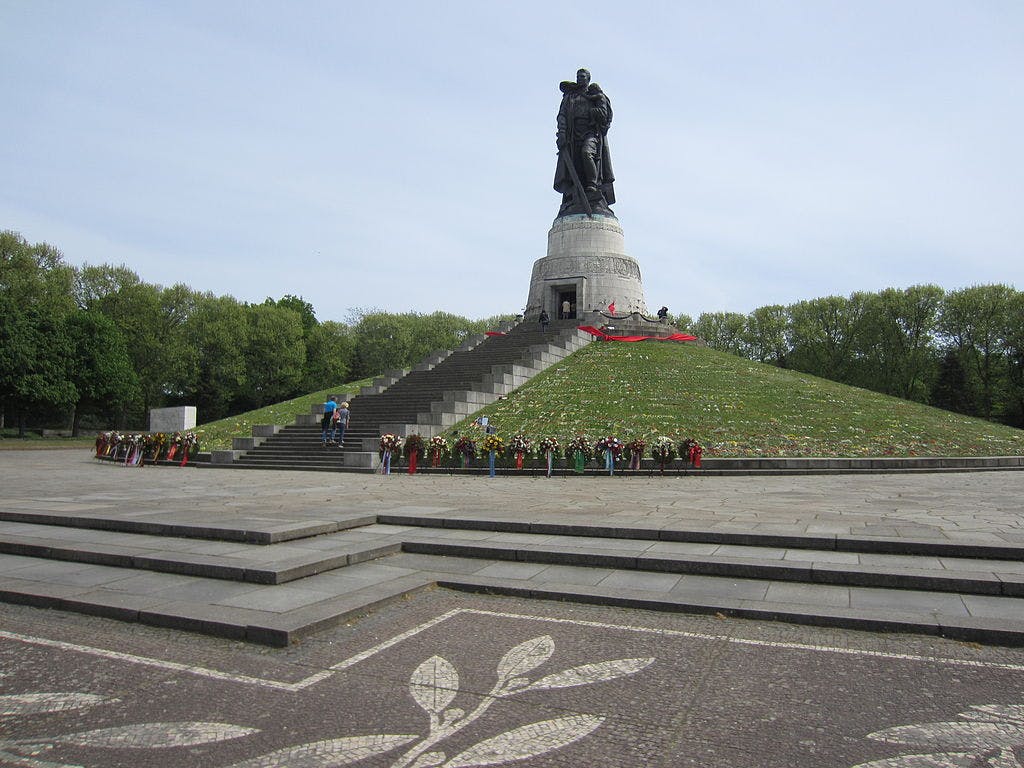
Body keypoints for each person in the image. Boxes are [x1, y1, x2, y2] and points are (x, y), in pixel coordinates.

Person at [553, 68, 615, 217]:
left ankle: (592, 186)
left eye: (583, 76)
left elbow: (605, 117)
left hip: (591, 133)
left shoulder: (594, 96)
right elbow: (562, 116)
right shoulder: (570, 97)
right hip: (573, 136)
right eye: (578, 76)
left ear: (588, 79)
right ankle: (576, 194)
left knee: (587, 153)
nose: (580, 78)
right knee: (576, 164)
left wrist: (596, 108)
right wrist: (562, 133)